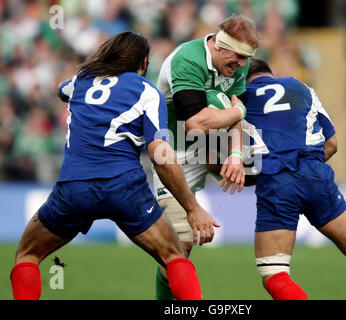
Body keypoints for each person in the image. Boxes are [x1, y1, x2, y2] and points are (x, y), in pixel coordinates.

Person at [10, 31, 220, 300]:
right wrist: (192, 207)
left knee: (28, 254)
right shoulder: (148, 92)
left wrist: (92, 72)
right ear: (144, 62)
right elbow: (159, 152)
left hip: (74, 187)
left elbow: (62, 89)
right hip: (124, 187)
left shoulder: (81, 82)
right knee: (173, 256)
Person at [242, 58, 346, 300]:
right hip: (315, 173)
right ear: (272, 74)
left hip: (276, 180)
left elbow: (227, 157)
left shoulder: (239, 98)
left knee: (274, 274)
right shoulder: (302, 88)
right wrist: (306, 171)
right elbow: (332, 144)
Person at [152, 14, 260, 299]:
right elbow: (196, 122)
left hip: (211, 144)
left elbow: (235, 112)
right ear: (220, 46)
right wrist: (238, 111)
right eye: (237, 57)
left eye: (246, 59)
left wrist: (236, 155)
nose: (241, 65)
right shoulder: (188, 59)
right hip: (173, 151)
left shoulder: (237, 62)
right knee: (180, 246)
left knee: (257, 165)